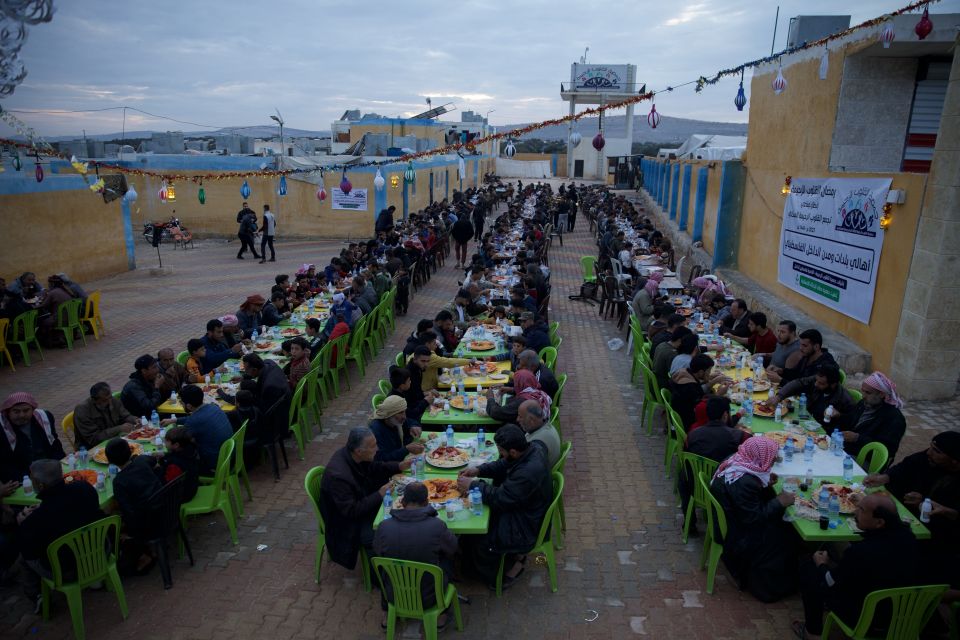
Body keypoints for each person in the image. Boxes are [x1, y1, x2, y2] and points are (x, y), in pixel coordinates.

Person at [793, 494, 920, 640]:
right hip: (901, 614)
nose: (855, 512)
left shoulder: (861, 552)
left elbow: (830, 582)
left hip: (867, 618)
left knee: (809, 570)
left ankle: (812, 633)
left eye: (861, 510)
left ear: (879, 522)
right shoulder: (909, 538)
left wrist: (821, 564)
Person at [456, 425, 552, 589]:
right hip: (527, 510)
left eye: (501, 450)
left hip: (525, 525)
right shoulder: (531, 448)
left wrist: (473, 486)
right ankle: (472, 564)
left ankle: (495, 579)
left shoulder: (527, 473)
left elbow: (501, 498)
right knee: (472, 530)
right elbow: (503, 464)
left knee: (481, 539)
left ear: (513, 451)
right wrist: (478, 470)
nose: (500, 453)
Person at [710, 436, 797, 603]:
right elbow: (754, 519)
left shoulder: (733, 460)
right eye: (770, 458)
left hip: (731, 521)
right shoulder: (745, 482)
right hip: (738, 536)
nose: (772, 462)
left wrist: (764, 483)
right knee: (787, 533)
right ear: (760, 457)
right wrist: (779, 501)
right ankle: (773, 584)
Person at [319, 427, 412, 572]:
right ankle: (380, 574)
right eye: (373, 446)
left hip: (359, 506)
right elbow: (351, 511)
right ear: (359, 451)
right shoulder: (339, 476)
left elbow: (375, 467)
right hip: (345, 524)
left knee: (396, 515)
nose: (377, 448)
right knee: (386, 532)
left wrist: (398, 466)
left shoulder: (353, 455)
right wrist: (379, 494)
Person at [16, 460, 104, 606]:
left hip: (66, 571)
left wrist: (23, 524)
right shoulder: (84, 488)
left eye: (31, 479)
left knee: (23, 557)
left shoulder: (36, 520)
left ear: (40, 484)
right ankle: (96, 579)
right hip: (98, 554)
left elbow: (29, 551)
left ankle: (38, 597)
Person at [373, 480, 458, 627]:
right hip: (430, 597)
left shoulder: (384, 526)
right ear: (427, 502)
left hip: (394, 594)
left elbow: (377, 550)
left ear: (403, 502)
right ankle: (440, 616)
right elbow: (453, 548)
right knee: (447, 560)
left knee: (386, 567)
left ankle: (387, 613)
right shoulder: (437, 526)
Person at [863, 431, 960, 555]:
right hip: (905, 514)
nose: (929, 452)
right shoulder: (927, 457)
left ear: (954, 461)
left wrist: (931, 506)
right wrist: (885, 477)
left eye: (937, 451)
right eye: (930, 447)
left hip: (935, 537)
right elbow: (905, 467)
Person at [105, 436, 163, 558]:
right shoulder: (142, 460)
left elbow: (129, 512)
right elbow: (154, 461)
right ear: (131, 451)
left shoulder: (119, 481)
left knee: (112, 515)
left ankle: (140, 552)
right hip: (165, 508)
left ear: (110, 461)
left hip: (149, 525)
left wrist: (130, 533)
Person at [160, 385, 231, 474]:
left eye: (181, 402)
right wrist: (175, 420)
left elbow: (178, 441)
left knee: (178, 453)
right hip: (227, 456)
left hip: (214, 464)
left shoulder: (194, 421)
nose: (181, 404)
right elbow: (194, 418)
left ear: (189, 406)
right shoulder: (213, 407)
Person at [839, 372, 906, 462]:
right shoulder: (863, 404)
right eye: (862, 391)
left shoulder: (894, 418)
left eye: (868, 393)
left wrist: (857, 438)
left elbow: (885, 449)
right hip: (848, 449)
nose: (863, 396)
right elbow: (850, 419)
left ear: (881, 394)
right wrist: (838, 416)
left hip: (867, 460)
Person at [0, 392, 65, 483]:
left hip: (49, 469)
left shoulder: (45, 417)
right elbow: (4, 463)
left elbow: (55, 445)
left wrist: (59, 465)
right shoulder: (2, 428)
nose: (21, 415)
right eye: (16, 411)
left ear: (33, 410)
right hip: (21, 478)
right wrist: (27, 479)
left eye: (26, 410)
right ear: (8, 412)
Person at [769, 364, 855, 428]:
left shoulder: (845, 399)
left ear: (833, 385)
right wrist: (779, 397)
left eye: (821, 383)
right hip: (806, 420)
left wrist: (839, 415)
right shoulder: (817, 380)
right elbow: (798, 383)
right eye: (816, 380)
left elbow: (851, 422)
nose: (816, 384)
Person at [670, 354, 731, 429]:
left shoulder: (684, 372)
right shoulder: (690, 388)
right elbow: (704, 409)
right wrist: (718, 394)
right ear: (701, 372)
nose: (709, 373)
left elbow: (696, 382)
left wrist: (709, 377)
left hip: (680, 413)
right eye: (708, 371)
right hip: (688, 423)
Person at [73, 382, 136, 449]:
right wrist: (119, 429)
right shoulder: (82, 411)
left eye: (110, 397)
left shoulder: (111, 400)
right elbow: (93, 439)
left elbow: (125, 415)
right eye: (104, 400)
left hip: (115, 439)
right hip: (91, 448)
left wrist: (135, 420)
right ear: (94, 400)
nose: (109, 402)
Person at [767, 329, 837, 385]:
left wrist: (781, 380)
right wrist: (781, 371)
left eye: (804, 345)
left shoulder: (825, 365)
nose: (800, 348)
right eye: (800, 345)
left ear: (816, 346)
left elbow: (807, 388)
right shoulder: (807, 355)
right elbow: (795, 372)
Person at [368, 396, 424, 462]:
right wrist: (406, 449)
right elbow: (382, 459)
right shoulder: (376, 430)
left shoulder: (394, 419)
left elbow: (409, 421)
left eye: (404, 412)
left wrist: (414, 426)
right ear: (390, 414)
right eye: (401, 413)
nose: (404, 416)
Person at [486, 369, 551, 425]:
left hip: (524, 432)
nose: (514, 385)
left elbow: (496, 413)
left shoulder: (523, 402)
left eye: (516, 383)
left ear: (519, 384)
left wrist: (490, 398)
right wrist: (512, 390)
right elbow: (525, 389)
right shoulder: (538, 392)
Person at [154, 425, 200, 501]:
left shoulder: (175, 464)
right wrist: (165, 456)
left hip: (181, 496)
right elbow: (177, 456)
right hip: (191, 487)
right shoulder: (190, 450)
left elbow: (169, 486)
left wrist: (158, 469)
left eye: (166, 441)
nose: (164, 442)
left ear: (176, 445)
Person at [517, 400, 561, 469]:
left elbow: (525, 468)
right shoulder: (545, 426)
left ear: (531, 420)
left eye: (520, 417)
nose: (517, 419)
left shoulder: (536, 444)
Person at [120, 354, 164, 419]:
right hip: (140, 421)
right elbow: (150, 407)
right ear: (144, 371)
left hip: (152, 415)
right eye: (154, 367)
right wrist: (156, 388)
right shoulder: (134, 387)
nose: (157, 370)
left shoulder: (150, 379)